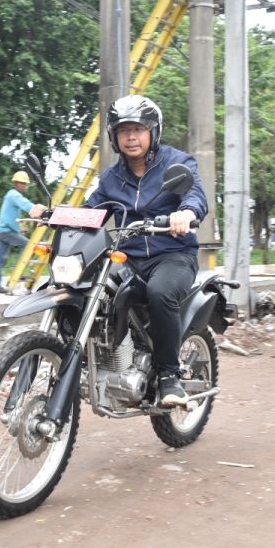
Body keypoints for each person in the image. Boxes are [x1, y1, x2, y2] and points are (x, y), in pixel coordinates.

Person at [85, 95, 208, 408]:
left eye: (138, 129)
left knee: (160, 291)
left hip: (173, 255)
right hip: (128, 259)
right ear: (114, 136)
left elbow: (195, 196)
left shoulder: (177, 163)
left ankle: (169, 376)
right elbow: (91, 211)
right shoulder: (111, 178)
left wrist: (187, 213)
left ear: (152, 132)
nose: (130, 136)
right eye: (123, 130)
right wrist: (55, 214)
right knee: (87, 285)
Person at [0, 171, 47, 294]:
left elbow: (7, 215)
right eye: (21, 183)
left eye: (25, 184)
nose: (24, 186)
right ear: (15, 183)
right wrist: (39, 211)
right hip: (5, 231)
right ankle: (18, 270)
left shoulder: (11, 195)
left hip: (1, 230)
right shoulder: (14, 195)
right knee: (28, 244)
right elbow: (25, 204)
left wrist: (19, 229)